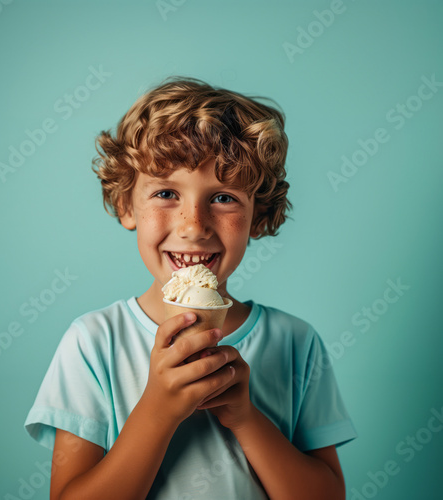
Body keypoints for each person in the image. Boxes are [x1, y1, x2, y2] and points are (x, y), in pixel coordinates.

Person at [24, 77, 357, 500]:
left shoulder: (296, 342)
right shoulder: (92, 343)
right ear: (127, 205)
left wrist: (245, 417)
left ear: (259, 215)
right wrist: (157, 412)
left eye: (223, 198)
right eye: (166, 193)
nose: (193, 225)